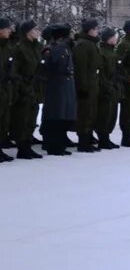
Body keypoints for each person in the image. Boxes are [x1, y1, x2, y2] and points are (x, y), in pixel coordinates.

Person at [40, 24, 78, 156]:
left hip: (65, 85)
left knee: (63, 115)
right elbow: (51, 67)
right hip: (58, 85)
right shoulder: (57, 48)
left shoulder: (65, 48)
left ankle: (58, 144)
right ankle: (54, 145)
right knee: (57, 115)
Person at [12, 20, 44, 159]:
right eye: (35, 29)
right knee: (22, 119)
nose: (38, 31)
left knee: (31, 118)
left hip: (34, 87)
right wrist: (23, 87)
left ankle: (28, 145)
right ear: (27, 32)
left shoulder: (36, 47)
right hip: (23, 88)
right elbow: (15, 71)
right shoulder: (19, 48)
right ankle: (22, 148)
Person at [73, 18, 102, 152]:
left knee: (92, 112)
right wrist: (83, 87)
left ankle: (88, 136)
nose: (98, 31)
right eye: (96, 29)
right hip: (86, 85)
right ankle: (83, 141)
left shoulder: (91, 43)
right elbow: (81, 68)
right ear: (90, 30)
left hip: (92, 83)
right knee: (85, 113)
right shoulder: (83, 45)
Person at [96, 27, 121, 150]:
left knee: (111, 114)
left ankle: (106, 137)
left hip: (113, 87)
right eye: (113, 37)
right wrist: (106, 86)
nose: (115, 39)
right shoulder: (102, 52)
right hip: (105, 88)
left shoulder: (112, 52)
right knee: (104, 115)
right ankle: (103, 139)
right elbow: (101, 72)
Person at [0, 18, 16, 162]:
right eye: (6, 29)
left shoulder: (7, 47)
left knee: (3, 119)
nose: (9, 31)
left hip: (5, 88)